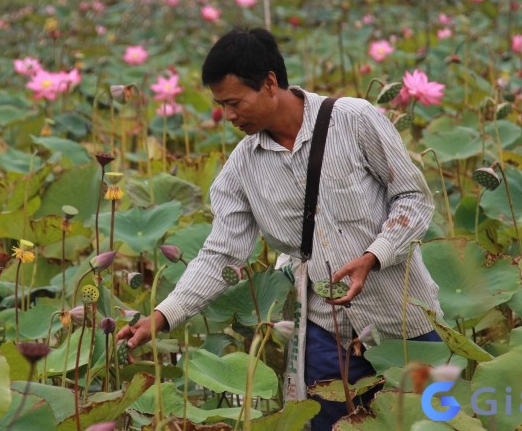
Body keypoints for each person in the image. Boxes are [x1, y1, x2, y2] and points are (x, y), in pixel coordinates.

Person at [116, 27, 443, 430]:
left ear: (270, 82)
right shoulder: (241, 167)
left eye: (235, 103)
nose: (229, 116)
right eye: (221, 105)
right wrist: (164, 315)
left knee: (433, 423)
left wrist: (374, 256)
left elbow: (413, 198)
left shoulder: (355, 120)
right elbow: (221, 255)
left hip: (404, 319)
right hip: (328, 332)